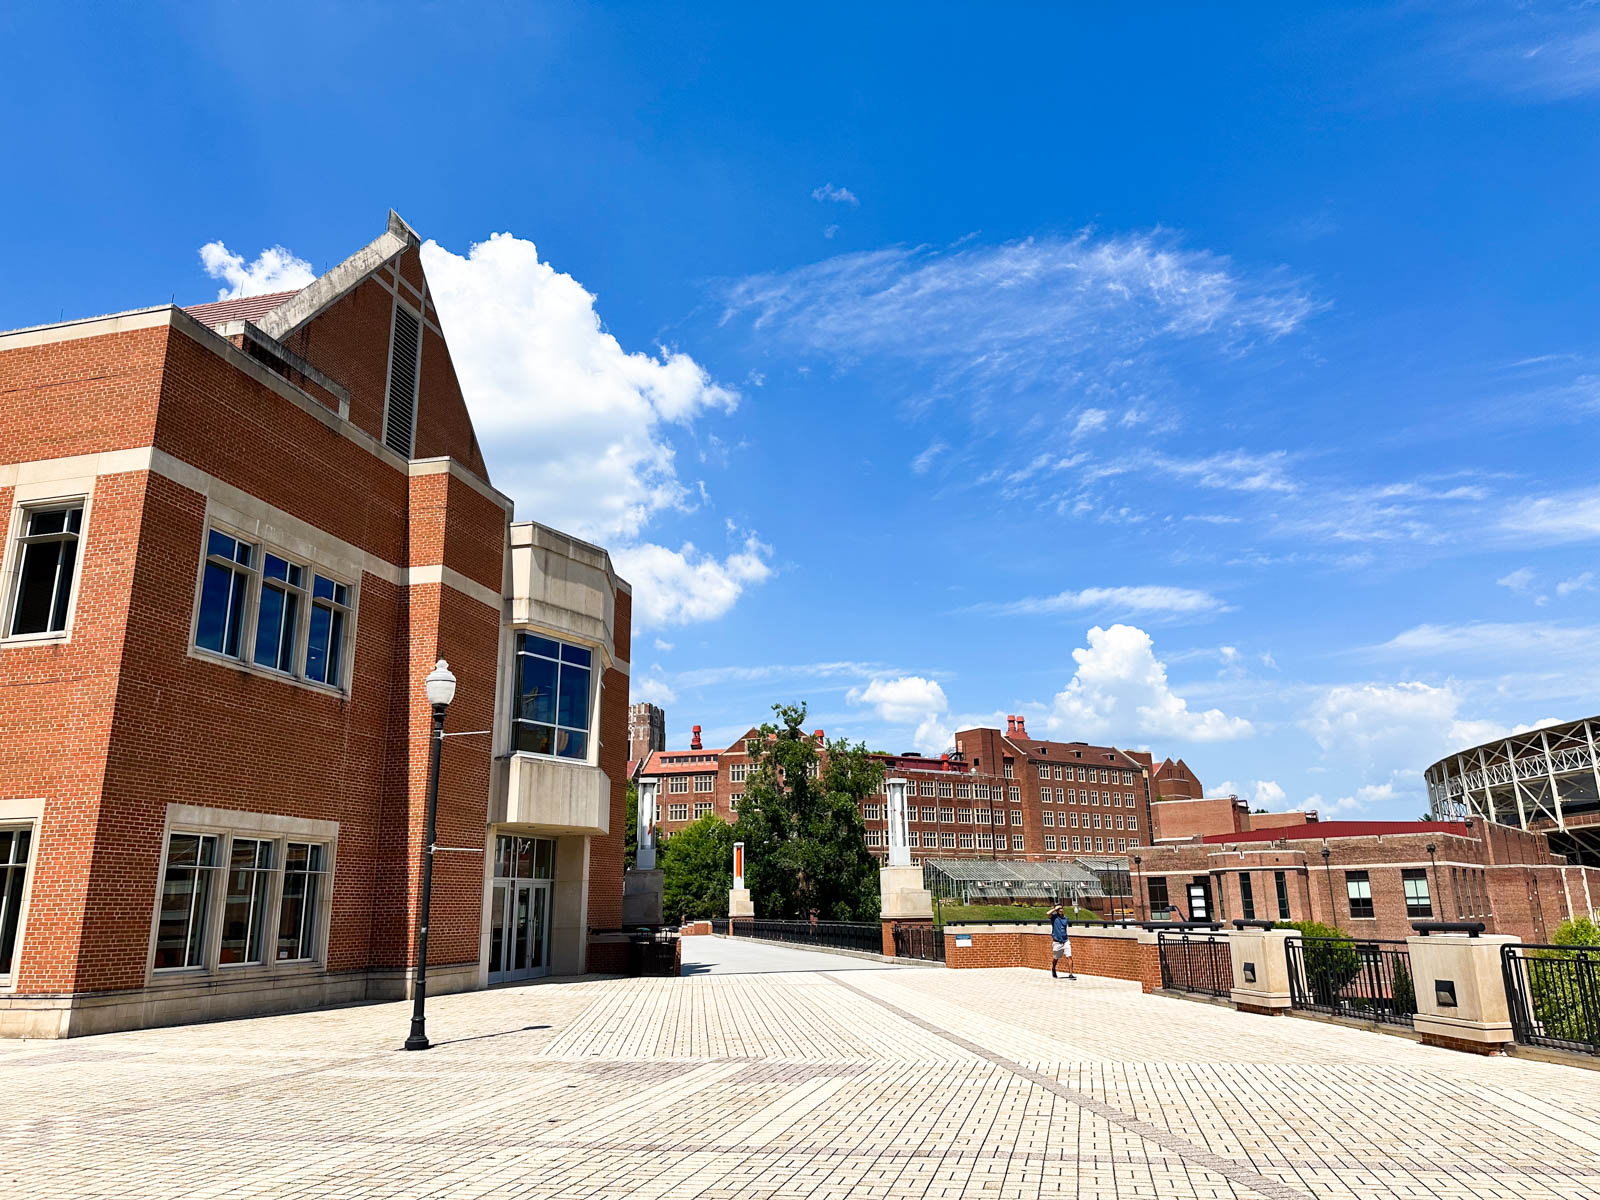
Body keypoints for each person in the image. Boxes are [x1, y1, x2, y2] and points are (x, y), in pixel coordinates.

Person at [1049, 904, 1076, 980]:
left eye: (1061, 908)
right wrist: (1055, 909)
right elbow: (1047, 914)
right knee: (1056, 958)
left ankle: (1070, 974)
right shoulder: (1054, 917)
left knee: (1069, 956)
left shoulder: (1065, 919)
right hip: (1057, 942)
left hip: (1065, 941)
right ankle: (1053, 968)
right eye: (1059, 909)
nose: (1060, 910)